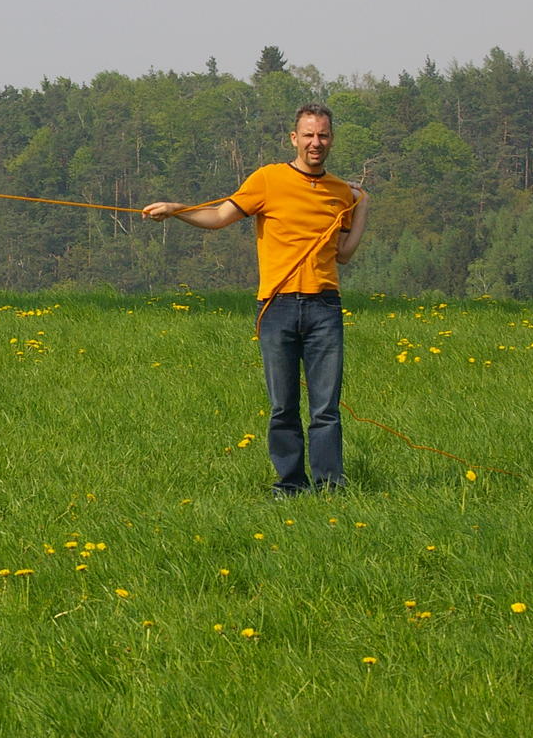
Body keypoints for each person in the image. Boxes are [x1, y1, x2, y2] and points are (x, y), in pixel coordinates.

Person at [143, 102, 369, 495]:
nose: (316, 143)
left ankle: (330, 487)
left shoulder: (341, 193)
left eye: (323, 135)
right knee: (283, 406)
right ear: (294, 138)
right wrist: (178, 210)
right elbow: (219, 217)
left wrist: (363, 205)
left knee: (326, 408)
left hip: (324, 306)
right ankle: (290, 484)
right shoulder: (268, 179)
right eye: (309, 135)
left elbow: (345, 255)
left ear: (331, 139)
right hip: (278, 306)